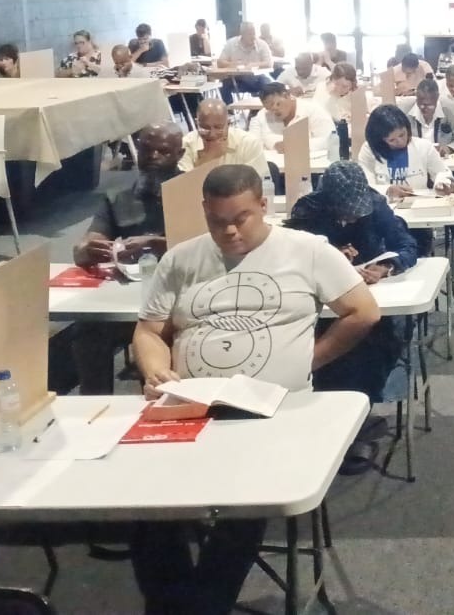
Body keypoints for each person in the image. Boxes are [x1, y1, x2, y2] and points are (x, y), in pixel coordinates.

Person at [131, 165, 380, 615]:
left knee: (242, 500)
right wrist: (156, 370)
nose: (229, 231)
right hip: (192, 407)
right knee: (145, 504)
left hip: (274, 413)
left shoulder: (307, 251)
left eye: (240, 219)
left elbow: (363, 312)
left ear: (263, 206)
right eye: (217, 221)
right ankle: (183, 606)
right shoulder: (181, 259)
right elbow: (149, 331)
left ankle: (197, 608)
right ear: (204, 211)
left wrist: (309, 360)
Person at [284, 160, 418, 473]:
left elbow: (407, 245)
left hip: (369, 302)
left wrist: (386, 267)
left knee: (368, 343)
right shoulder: (307, 212)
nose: (353, 218)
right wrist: (330, 256)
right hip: (322, 301)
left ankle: (355, 419)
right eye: (346, 212)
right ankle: (324, 417)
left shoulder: (376, 207)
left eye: (357, 213)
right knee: (312, 343)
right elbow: (290, 255)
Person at [68, 123, 185, 393]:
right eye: (147, 149)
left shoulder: (196, 191)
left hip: (179, 300)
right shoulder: (118, 197)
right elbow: (84, 246)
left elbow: (210, 244)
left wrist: (156, 244)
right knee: (88, 331)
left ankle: (160, 396)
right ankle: (96, 404)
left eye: (163, 151)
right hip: (131, 295)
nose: (154, 156)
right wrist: (88, 249)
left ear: (179, 154)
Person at [358, 104, 454, 255]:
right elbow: (364, 187)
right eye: (392, 140)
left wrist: (444, 184)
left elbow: (443, 173)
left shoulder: (424, 147)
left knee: (414, 248)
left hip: (417, 219)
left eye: (402, 134)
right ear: (380, 140)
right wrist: (387, 190)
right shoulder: (369, 150)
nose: (400, 141)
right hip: (383, 219)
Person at [403, 79, 454, 266]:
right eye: (421, 103)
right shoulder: (405, 110)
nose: (424, 108)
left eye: (429, 105)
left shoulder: (450, 109)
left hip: (444, 164)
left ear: (437, 99)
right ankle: (419, 242)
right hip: (416, 166)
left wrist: (448, 148)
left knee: (451, 192)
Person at [180, 98, 269, 178]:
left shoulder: (248, 143)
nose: (212, 134)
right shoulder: (186, 144)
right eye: (205, 128)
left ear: (228, 124)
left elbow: (256, 184)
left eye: (218, 127)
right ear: (197, 124)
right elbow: (185, 186)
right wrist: (209, 157)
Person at [250, 81, 336, 161]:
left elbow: (330, 139)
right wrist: (274, 145)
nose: (274, 111)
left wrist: (297, 145)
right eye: (269, 108)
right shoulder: (262, 115)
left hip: (311, 164)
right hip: (274, 166)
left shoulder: (314, 110)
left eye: (278, 104)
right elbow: (252, 145)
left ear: (286, 96)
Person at [217, 21, 275, 102]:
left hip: (258, 78)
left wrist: (253, 65)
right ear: (242, 34)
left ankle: (264, 107)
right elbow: (220, 62)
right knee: (223, 85)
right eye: (250, 34)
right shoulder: (231, 44)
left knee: (269, 85)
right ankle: (230, 108)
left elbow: (269, 63)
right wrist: (234, 64)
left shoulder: (262, 44)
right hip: (237, 79)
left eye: (254, 33)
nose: (253, 37)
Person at [316, 63, 361, 156]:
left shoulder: (356, 93)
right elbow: (318, 114)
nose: (339, 89)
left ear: (352, 84)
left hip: (351, 138)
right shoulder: (322, 89)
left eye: (345, 86)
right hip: (328, 136)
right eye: (336, 84)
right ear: (332, 79)